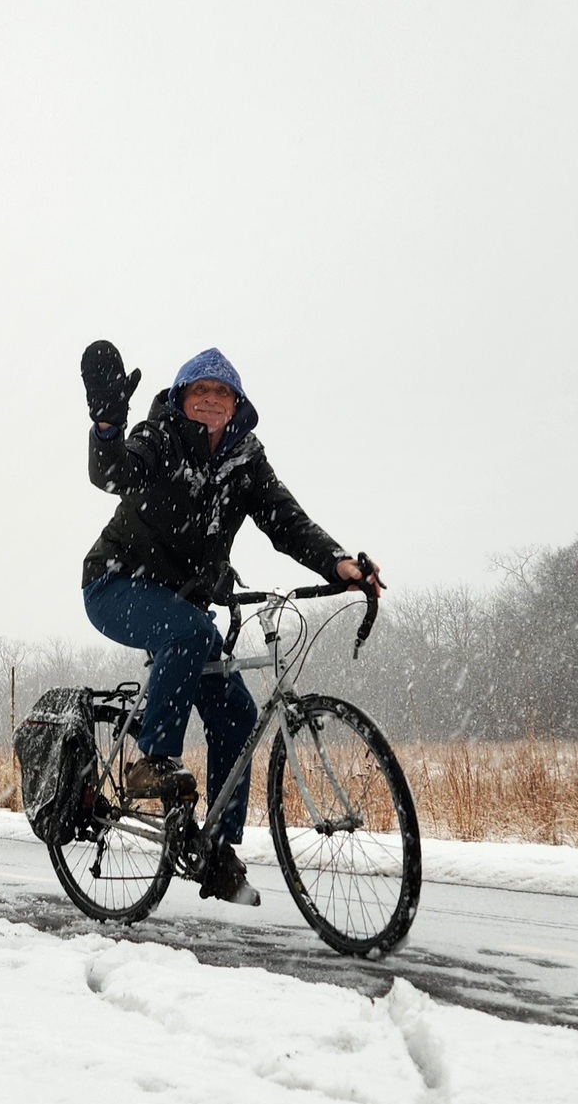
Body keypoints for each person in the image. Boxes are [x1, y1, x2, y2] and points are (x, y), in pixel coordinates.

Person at [78, 340, 383, 906]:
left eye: (223, 392)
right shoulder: (161, 438)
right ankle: (152, 762)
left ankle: (216, 850)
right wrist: (107, 425)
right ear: (181, 397)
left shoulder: (246, 460)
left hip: (183, 606)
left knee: (238, 712)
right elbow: (114, 473)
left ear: (237, 404)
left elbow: (286, 520)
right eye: (201, 389)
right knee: (190, 633)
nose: (212, 399)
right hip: (115, 583)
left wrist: (337, 562)